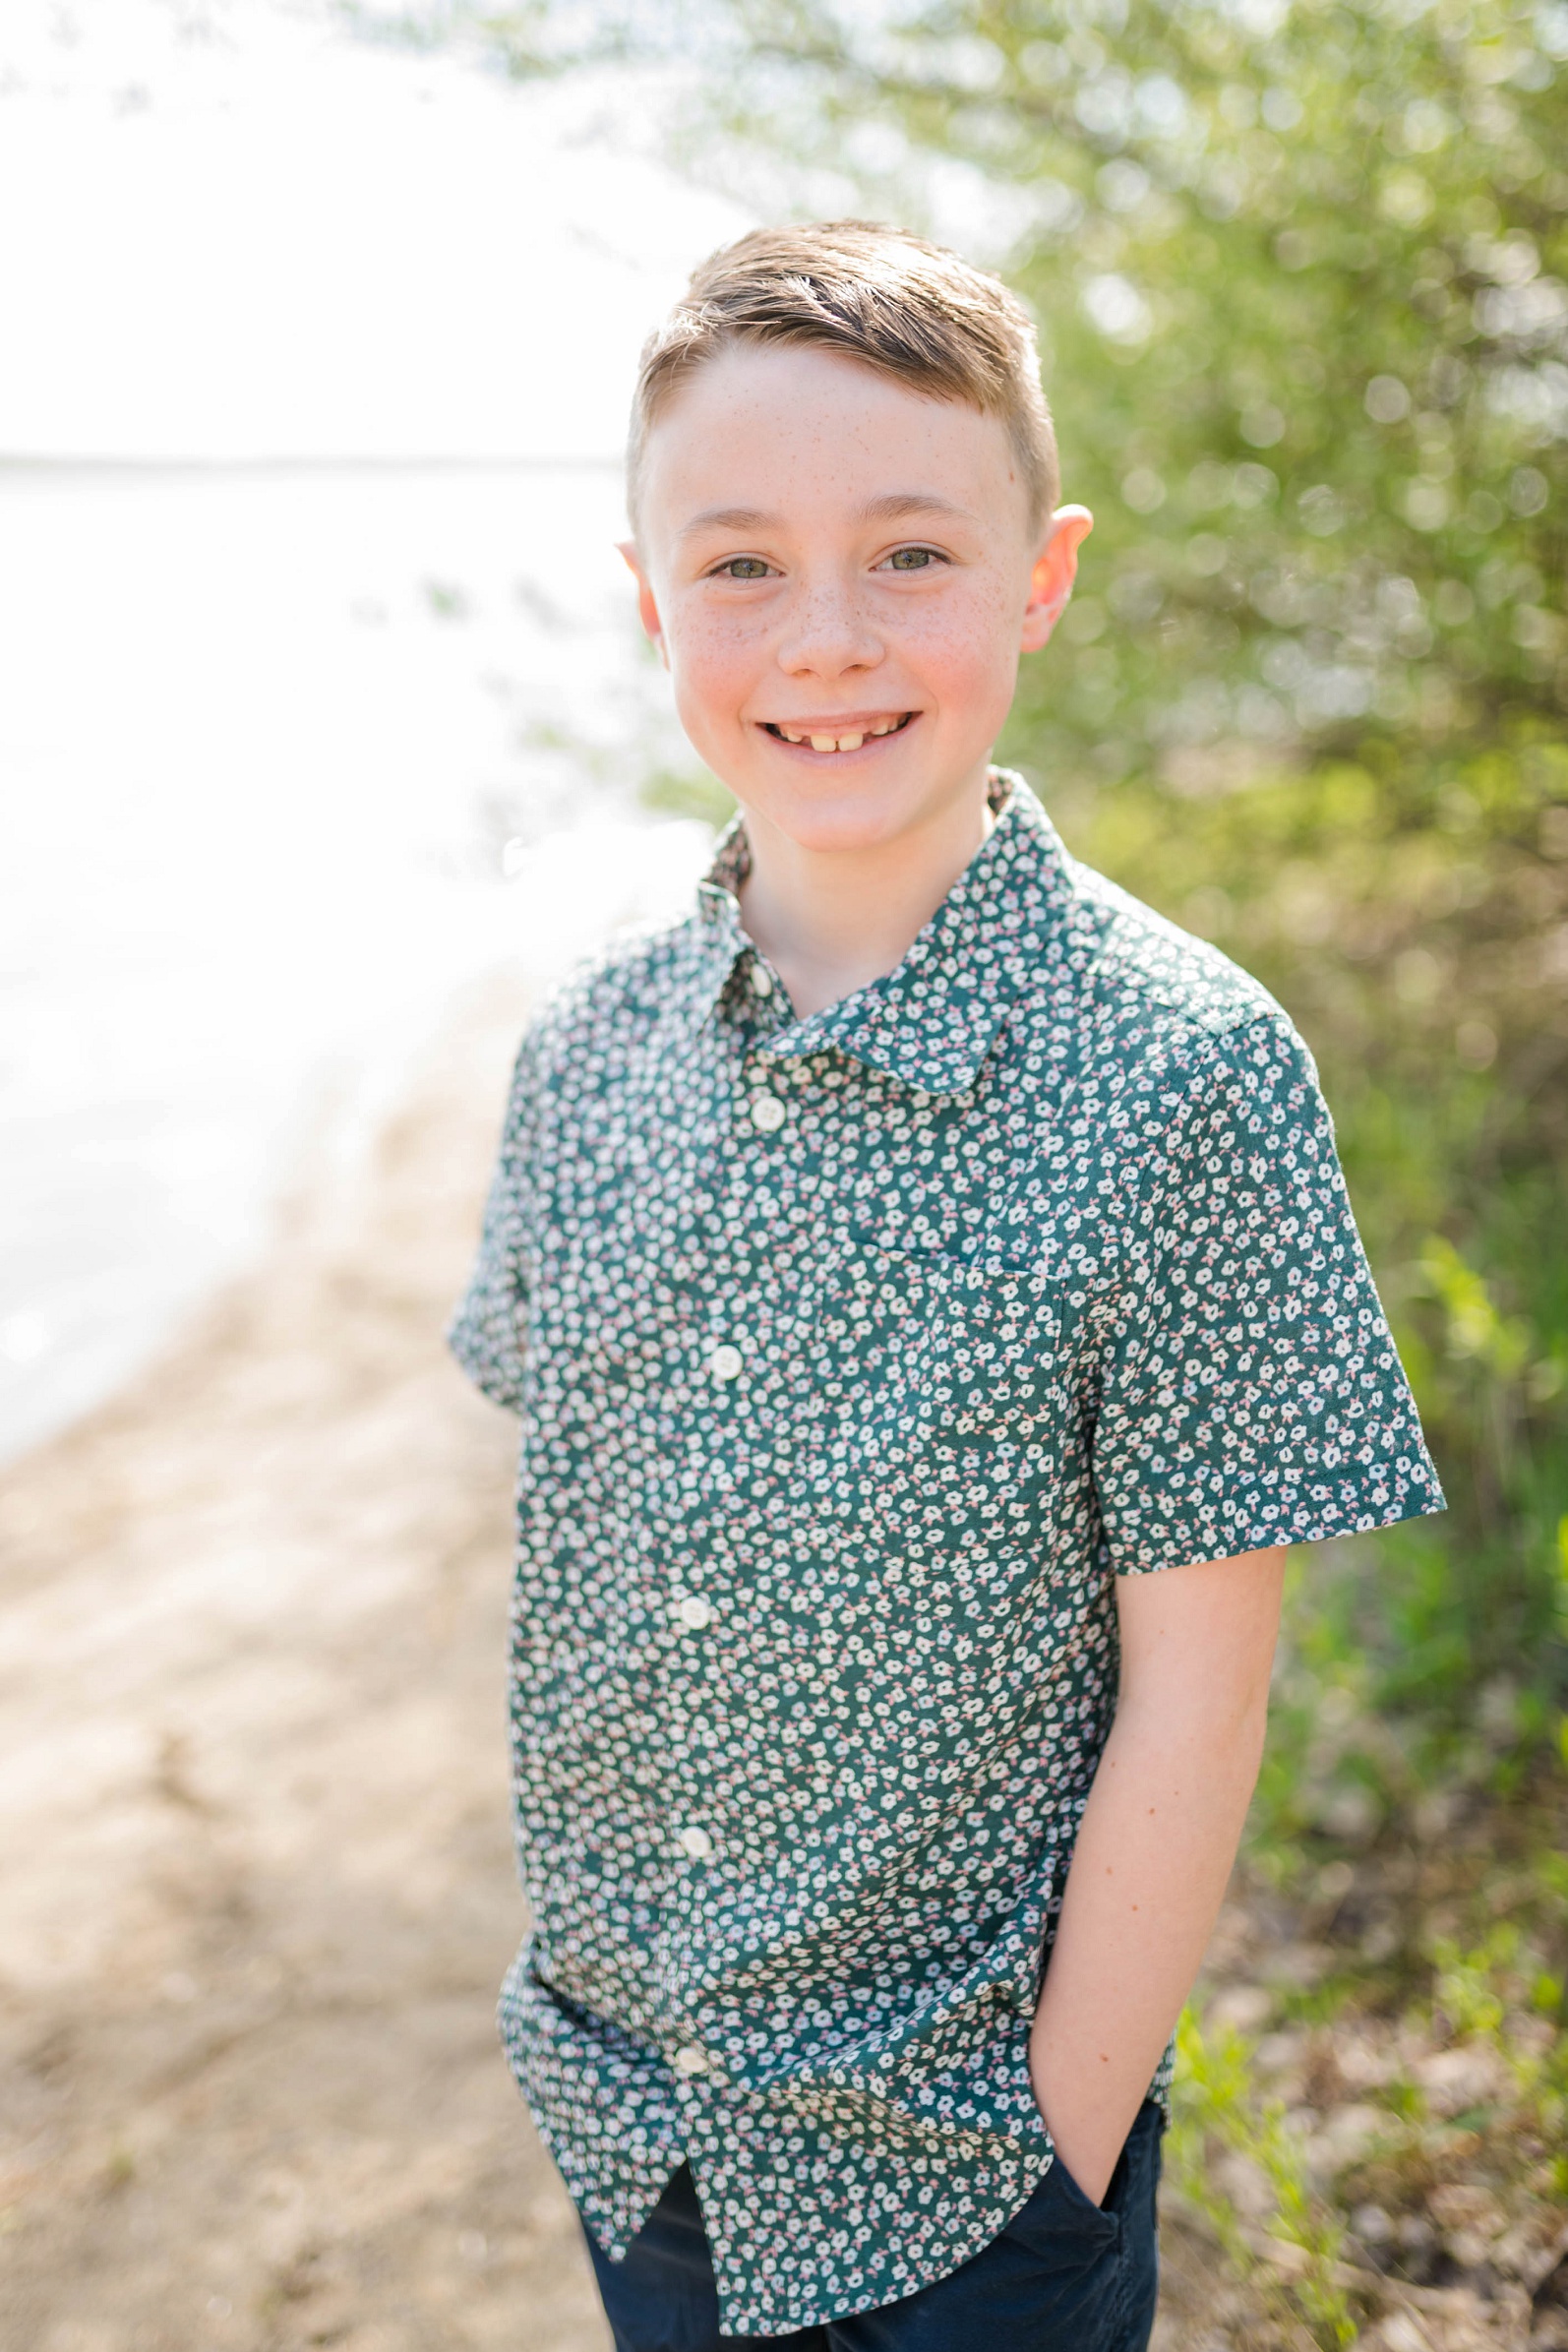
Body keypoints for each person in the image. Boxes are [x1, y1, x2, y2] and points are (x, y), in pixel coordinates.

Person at [450, 220, 1444, 2352]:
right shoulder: (584, 1054)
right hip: (643, 2108)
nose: (824, 639)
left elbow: (1200, 1688)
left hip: (971, 2165)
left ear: (1038, 579)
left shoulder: (1177, 1071)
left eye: (908, 553)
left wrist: (1060, 2125)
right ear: (649, 598)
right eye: (739, 564)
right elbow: (608, 1553)